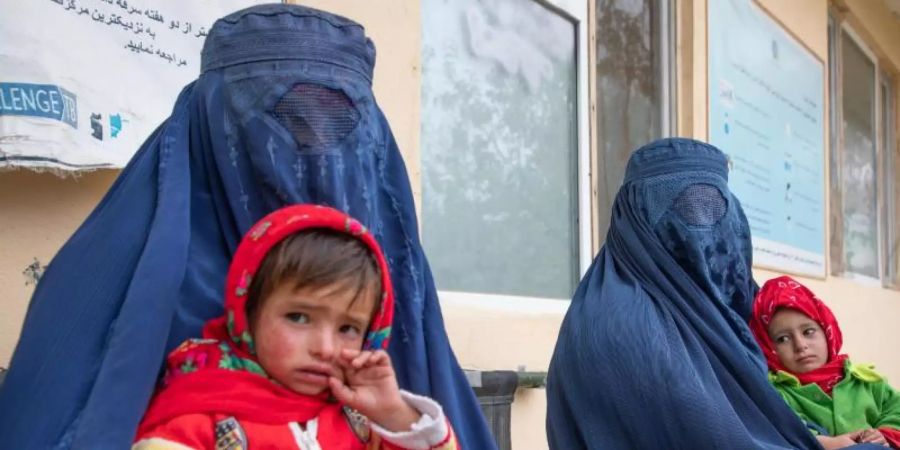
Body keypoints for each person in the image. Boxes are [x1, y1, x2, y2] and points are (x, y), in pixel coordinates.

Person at [0, 5, 494, 449]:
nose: (312, 154)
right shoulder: (110, 282)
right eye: (283, 123)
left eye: (336, 128)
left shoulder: (391, 281)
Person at [546, 138, 823, 449]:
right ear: (638, 222)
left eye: (715, 209)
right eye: (687, 210)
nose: (705, 229)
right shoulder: (630, 330)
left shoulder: (698, 310)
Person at [132, 204, 457, 449]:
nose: (325, 349)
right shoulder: (198, 416)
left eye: (348, 328)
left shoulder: (363, 424)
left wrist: (394, 414)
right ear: (248, 313)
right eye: (299, 317)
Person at [749, 275, 900, 449]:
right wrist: (825, 443)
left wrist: (883, 435)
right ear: (768, 347)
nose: (800, 345)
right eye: (783, 339)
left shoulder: (867, 382)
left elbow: (896, 409)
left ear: (827, 331)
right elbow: (780, 429)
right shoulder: (774, 392)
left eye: (808, 331)